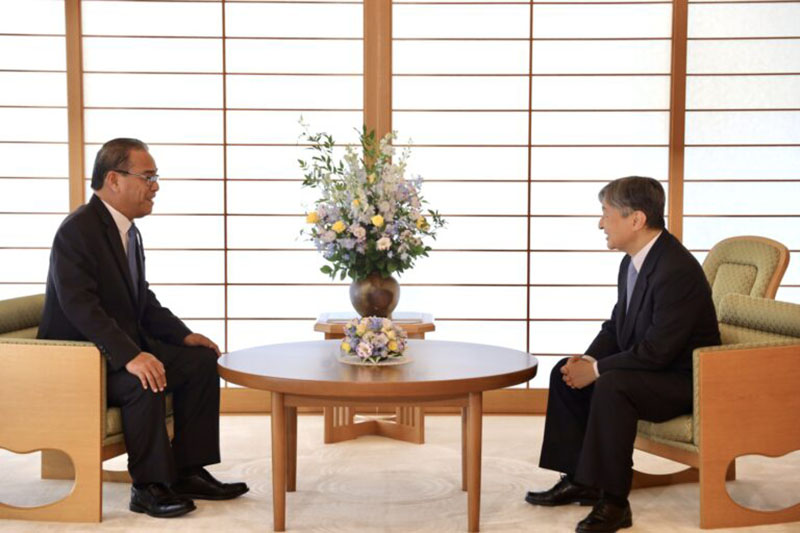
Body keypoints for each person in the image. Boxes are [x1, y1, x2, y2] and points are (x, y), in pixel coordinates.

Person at [38, 138, 248, 518]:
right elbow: (80, 306)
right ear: (114, 179)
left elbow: (142, 300)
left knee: (200, 361)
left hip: (115, 350)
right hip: (80, 361)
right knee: (144, 378)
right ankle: (148, 487)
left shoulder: (129, 232)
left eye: (156, 177)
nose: (155, 186)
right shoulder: (77, 230)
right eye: (148, 176)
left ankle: (186, 471)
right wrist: (131, 356)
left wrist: (184, 335)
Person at [524, 176, 720, 533]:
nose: (600, 223)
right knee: (564, 373)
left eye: (606, 213)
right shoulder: (632, 260)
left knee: (612, 385)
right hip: (651, 368)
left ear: (636, 220)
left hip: (683, 379)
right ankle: (583, 479)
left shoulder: (675, 269)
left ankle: (615, 503)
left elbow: (658, 352)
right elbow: (617, 326)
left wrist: (597, 371)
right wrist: (585, 362)